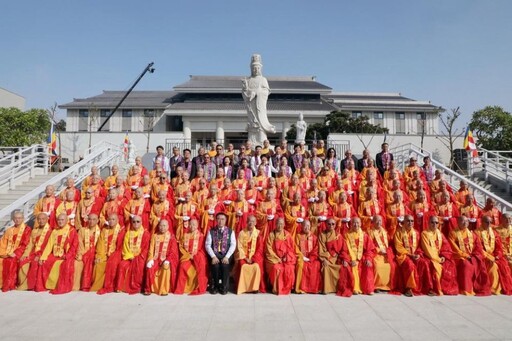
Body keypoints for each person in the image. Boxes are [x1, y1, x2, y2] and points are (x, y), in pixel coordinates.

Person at [35, 213, 78, 294]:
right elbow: (49, 245)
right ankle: (47, 285)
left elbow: (74, 245)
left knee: (64, 265)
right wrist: (43, 257)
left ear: (66, 220)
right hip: (55, 254)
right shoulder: (55, 231)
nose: (60, 222)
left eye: (62, 220)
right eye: (59, 220)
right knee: (44, 262)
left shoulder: (72, 231)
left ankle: (59, 285)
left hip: (66, 255)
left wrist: (68, 255)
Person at [448, 216, 490, 296]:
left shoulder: (472, 234)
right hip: (458, 256)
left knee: (479, 263)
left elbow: (478, 247)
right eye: (463, 221)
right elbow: (454, 248)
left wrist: (475, 256)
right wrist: (465, 255)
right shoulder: (453, 233)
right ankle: (466, 289)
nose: (465, 223)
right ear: (458, 222)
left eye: (467, 221)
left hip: (471, 256)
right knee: (466, 265)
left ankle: (477, 287)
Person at [420, 216, 459, 296]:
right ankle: (435, 289)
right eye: (432, 222)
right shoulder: (424, 233)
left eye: (436, 223)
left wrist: (444, 256)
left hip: (440, 257)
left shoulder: (440, 233)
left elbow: (446, 246)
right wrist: (438, 259)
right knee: (436, 268)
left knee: (450, 264)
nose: (434, 224)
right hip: (429, 257)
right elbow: (427, 250)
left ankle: (445, 288)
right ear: (428, 223)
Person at [474, 216, 512, 295]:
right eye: (487, 222)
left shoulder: (494, 233)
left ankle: (503, 287)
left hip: (494, 256)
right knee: (494, 267)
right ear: (482, 222)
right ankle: (494, 289)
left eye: (490, 222)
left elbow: (499, 247)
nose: (489, 224)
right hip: (483, 256)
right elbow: (478, 249)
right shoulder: (476, 233)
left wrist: (498, 256)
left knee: (504, 265)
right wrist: (489, 257)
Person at [393, 215, 428, 297]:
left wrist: (418, 254)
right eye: (408, 221)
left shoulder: (416, 233)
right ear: (403, 222)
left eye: (412, 221)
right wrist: (410, 255)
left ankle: (426, 288)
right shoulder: (398, 232)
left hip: (415, 255)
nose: (410, 223)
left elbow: (420, 246)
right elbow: (399, 247)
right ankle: (409, 288)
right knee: (409, 264)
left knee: (424, 263)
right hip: (403, 255)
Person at [17, 213, 53, 291]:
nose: (41, 221)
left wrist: (40, 255)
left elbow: (48, 246)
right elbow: (30, 244)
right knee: (22, 262)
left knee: (35, 263)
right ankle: (24, 284)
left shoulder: (50, 231)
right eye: (39, 219)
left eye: (43, 219)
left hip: (43, 253)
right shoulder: (34, 230)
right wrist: (25, 254)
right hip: (33, 253)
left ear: (47, 220)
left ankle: (32, 285)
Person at [115, 215, 150, 294]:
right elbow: (125, 246)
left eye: (138, 221)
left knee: (139, 266)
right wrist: (130, 256)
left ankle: (137, 287)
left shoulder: (146, 234)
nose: (136, 223)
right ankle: (120, 287)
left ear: (141, 222)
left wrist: (139, 257)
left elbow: (146, 248)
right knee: (122, 265)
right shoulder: (128, 233)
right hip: (129, 256)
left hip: (140, 257)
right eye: (134, 222)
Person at [242, 54, 275, 135]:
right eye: (254, 68)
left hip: (259, 105)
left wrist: (257, 92)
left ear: (260, 69)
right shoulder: (248, 80)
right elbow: (245, 94)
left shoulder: (263, 79)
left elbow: (266, 91)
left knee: (259, 124)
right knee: (252, 120)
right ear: (251, 69)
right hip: (251, 104)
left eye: (257, 68)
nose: (255, 70)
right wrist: (245, 88)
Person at [92, 214, 126, 294]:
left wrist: (113, 255)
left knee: (112, 263)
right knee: (98, 262)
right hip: (105, 253)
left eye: (113, 219)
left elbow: (120, 246)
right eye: (109, 219)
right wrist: (100, 256)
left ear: (117, 220)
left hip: (117, 254)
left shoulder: (121, 230)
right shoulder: (104, 230)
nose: (111, 221)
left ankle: (110, 285)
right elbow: (100, 244)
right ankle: (97, 285)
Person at [144, 219, 179, 296]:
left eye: (164, 226)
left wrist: (168, 260)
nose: (162, 227)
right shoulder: (154, 236)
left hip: (166, 259)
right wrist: (150, 259)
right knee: (150, 268)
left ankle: (163, 289)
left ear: (168, 227)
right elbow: (151, 249)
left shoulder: (171, 237)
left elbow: (173, 252)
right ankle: (148, 289)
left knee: (166, 267)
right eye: (160, 225)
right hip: (156, 258)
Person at [342, 217, 375, 295]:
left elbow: (370, 249)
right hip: (351, 259)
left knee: (368, 266)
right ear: (350, 224)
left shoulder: (365, 235)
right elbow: (346, 249)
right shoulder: (346, 235)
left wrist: (368, 258)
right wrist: (351, 260)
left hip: (362, 258)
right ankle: (355, 288)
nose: (356, 225)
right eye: (354, 223)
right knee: (353, 267)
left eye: (357, 223)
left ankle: (368, 289)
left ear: (360, 224)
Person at [174, 219, 208, 295]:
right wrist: (188, 255)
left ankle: (197, 287)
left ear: (197, 226)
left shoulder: (201, 235)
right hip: (187, 256)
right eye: (190, 224)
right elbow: (181, 247)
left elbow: (202, 249)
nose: (192, 226)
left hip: (197, 256)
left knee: (200, 265)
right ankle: (183, 288)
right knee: (182, 266)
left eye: (194, 224)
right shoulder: (185, 235)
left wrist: (195, 256)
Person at [205, 213, 236, 295]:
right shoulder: (211, 231)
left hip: (226, 255)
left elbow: (233, 245)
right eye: (218, 219)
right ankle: (215, 285)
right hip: (215, 255)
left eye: (222, 219)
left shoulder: (230, 231)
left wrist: (227, 257)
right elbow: (207, 245)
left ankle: (224, 286)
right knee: (215, 266)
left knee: (225, 265)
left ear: (225, 221)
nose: (220, 221)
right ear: (216, 220)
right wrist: (213, 256)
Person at [0, 211, 31, 291]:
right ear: (13, 219)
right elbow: (3, 243)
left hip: (19, 253)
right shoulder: (9, 230)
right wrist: (3, 253)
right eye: (15, 218)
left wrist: (15, 253)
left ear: (23, 219)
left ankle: (9, 284)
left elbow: (25, 244)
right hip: (8, 252)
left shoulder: (27, 229)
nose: (17, 220)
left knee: (10, 261)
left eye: (19, 218)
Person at [265, 217, 296, 295]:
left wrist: (287, 257)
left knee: (290, 268)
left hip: (286, 259)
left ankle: (287, 288)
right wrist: (277, 258)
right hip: (274, 259)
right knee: (276, 268)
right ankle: (276, 288)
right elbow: (268, 249)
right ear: (275, 224)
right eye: (278, 223)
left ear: (284, 225)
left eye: (281, 224)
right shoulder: (271, 235)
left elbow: (291, 249)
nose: (280, 226)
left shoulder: (287, 235)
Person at [235, 215, 265, 294]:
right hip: (244, 257)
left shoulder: (258, 233)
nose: (250, 223)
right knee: (243, 266)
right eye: (249, 221)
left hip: (255, 257)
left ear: (255, 223)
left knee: (256, 266)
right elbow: (239, 247)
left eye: (252, 221)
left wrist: (253, 258)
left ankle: (255, 288)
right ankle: (243, 288)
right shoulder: (242, 233)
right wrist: (245, 258)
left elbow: (260, 248)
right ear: (246, 222)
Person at [73, 213, 100, 291]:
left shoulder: (100, 231)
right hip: (85, 252)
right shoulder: (82, 230)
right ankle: (77, 285)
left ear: (98, 221)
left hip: (95, 253)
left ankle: (86, 284)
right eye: (90, 219)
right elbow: (80, 243)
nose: (91, 221)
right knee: (77, 262)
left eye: (94, 219)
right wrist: (81, 253)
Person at [368, 215, 395, 293]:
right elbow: (370, 245)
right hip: (376, 254)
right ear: (373, 222)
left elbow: (389, 243)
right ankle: (377, 286)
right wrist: (379, 250)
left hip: (386, 254)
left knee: (391, 265)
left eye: (380, 221)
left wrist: (387, 251)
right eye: (376, 221)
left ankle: (386, 286)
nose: (378, 222)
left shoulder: (384, 232)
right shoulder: (370, 232)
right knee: (378, 266)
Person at [295, 220, 321, 294]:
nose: (307, 227)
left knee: (317, 265)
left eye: (308, 226)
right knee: (300, 265)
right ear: (302, 226)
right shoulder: (298, 236)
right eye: (305, 226)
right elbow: (295, 248)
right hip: (301, 257)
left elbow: (316, 249)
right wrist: (301, 256)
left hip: (312, 258)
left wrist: (311, 258)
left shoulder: (314, 237)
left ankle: (313, 288)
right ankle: (300, 288)